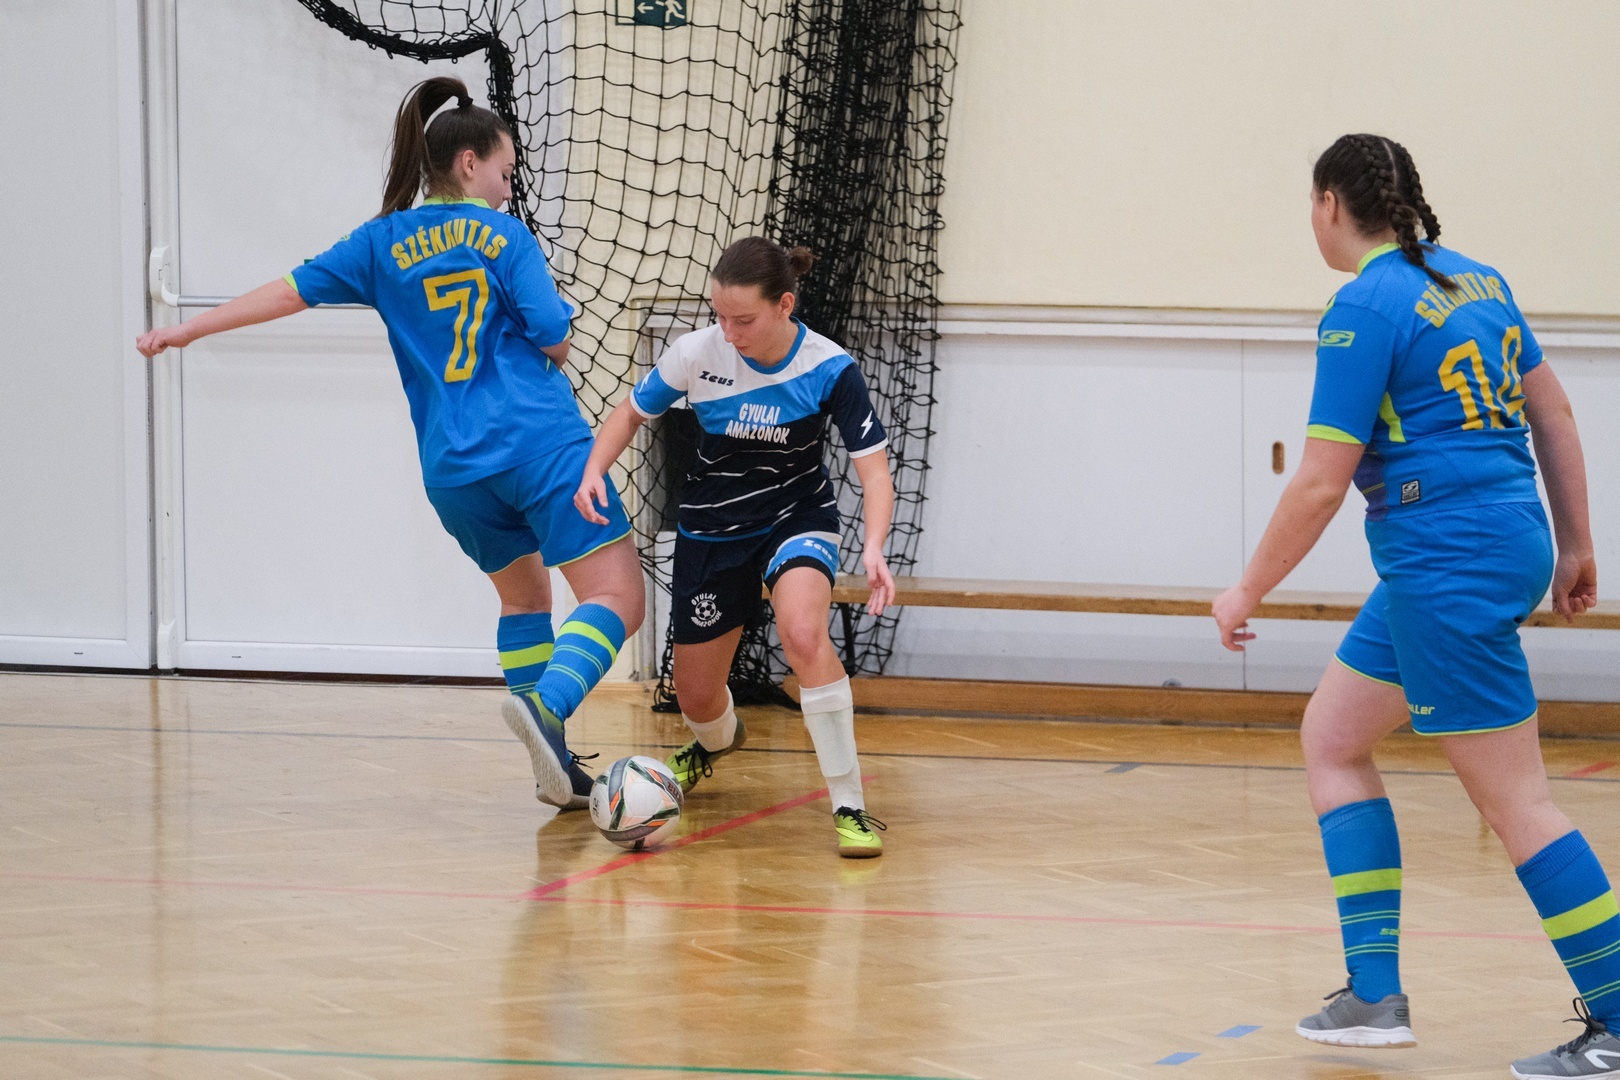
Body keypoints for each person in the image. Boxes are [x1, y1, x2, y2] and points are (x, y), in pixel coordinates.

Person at [1211, 133, 1612, 1078]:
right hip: (1497, 541)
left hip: (1448, 562)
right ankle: (1372, 997)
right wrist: (1576, 543)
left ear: (1328, 205)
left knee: (1520, 805)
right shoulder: (1479, 279)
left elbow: (1321, 480)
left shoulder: (1363, 305)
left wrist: (1246, 588)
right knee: (1333, 738)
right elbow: (1553, 413)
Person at [136, 77, 644, 814]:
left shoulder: (380, 242)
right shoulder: (506, 237)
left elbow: (286, 291)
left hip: (454, 471)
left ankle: (554, 767)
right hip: (539, 444)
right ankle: (548, 707)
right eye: (505, 172)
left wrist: (187, 328)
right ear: (469, 164)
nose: (509, 189)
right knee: (617, 596)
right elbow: (555, 339)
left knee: (524, 600)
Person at [575, 237, 895, 857]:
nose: (729, 331)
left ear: (784, 306)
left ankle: (849, 803)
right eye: (719, 315)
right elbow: (630, 413)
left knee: (803, 635)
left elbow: (874, 472)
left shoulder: (830, 367)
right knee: (696, 696)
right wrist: (594, 471)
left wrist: (875, 547)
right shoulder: (695, 353)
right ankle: (717, 741)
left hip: (795, 517)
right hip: (711, 530)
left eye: (743, 319)